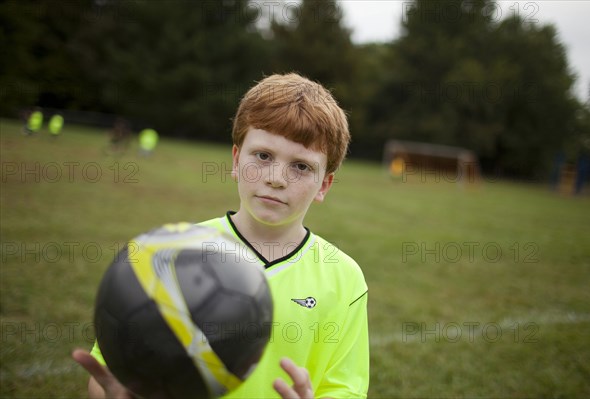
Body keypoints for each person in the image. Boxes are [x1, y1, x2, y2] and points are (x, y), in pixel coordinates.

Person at [73, 73, 370, 398]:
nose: (276, 179)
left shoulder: (344, 278)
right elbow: (110, 374)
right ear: (235, 159)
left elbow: (345, 388)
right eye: (263, 156)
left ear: (323, 185)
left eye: (301, 167)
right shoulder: (169, 253)